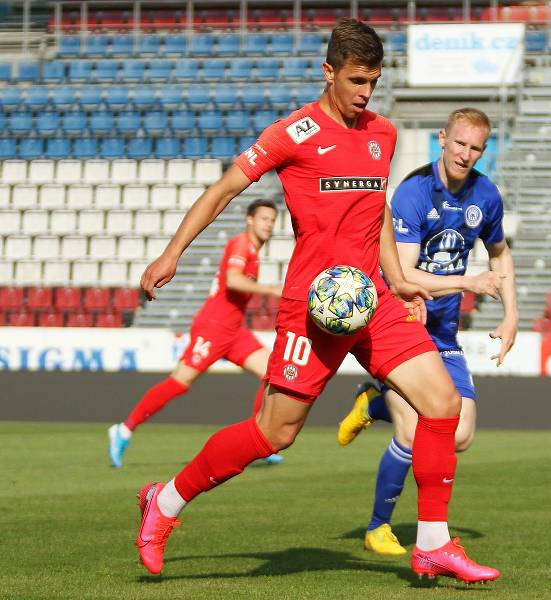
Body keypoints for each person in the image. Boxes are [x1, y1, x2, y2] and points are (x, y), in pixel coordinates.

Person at [134, 20, 499, 584]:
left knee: (443, 405)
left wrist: (398, 277)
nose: (365, 92)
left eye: (372, 81)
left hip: (370, 298)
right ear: (328, 72)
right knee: (273, 432)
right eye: (356, 80)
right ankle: (165, 502)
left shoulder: (384, 132)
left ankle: (432, 544)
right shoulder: (292, 133)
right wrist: (171, 253)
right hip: (315, 305)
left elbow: (374, 209)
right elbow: (223, 189)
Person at [337, 108, 518, 555]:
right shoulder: (414, 193)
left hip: (444, 333)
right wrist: (467, 281)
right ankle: (379, 525)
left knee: (461, 435)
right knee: (413, 427)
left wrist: (512, 314)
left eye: (476, 148)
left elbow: (500, 253)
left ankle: (373, 404)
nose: (466, 154)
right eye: (459, 144)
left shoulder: (486, 195)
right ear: (442, 138)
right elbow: (405, 274)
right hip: (400, 325)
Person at [107, 199, 284, 468]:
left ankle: (260, 439)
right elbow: (232, 280)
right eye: (264, 219)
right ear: (250, 220)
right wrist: (273, 290)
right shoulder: (241, 244)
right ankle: (123, 429)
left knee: (273, 371)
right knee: (180, 382)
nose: (269, 225)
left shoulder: (252, 250)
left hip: (234, 330)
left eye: (272, 220)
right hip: (213, 327)